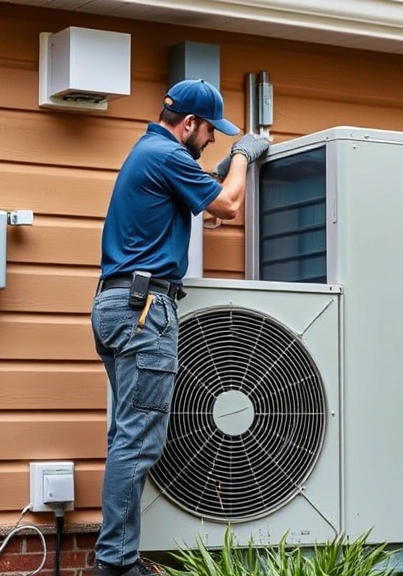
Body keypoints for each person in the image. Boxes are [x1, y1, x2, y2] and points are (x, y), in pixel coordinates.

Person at [89, 79, 270, 576]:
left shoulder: (149, 153)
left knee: (126, 437)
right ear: (188, 124)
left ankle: (115, 559)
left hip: (119, 304)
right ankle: (117, 566)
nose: (213, 139)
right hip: (144, 310)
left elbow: (198, 202)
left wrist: (213, 172)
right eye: (211, 130)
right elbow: (229, 206)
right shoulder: (166, 155)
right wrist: (244, 157)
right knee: (137, 441)